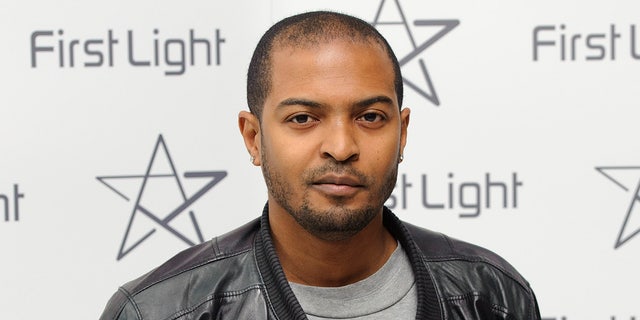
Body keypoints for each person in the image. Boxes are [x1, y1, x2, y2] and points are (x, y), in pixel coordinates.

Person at [100, 11, 541, 320]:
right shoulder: (159, 311)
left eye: (370, 117)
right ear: (253, 138)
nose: (342, 146)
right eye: (303, 119)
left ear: (402, 134)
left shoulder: (493, 298)